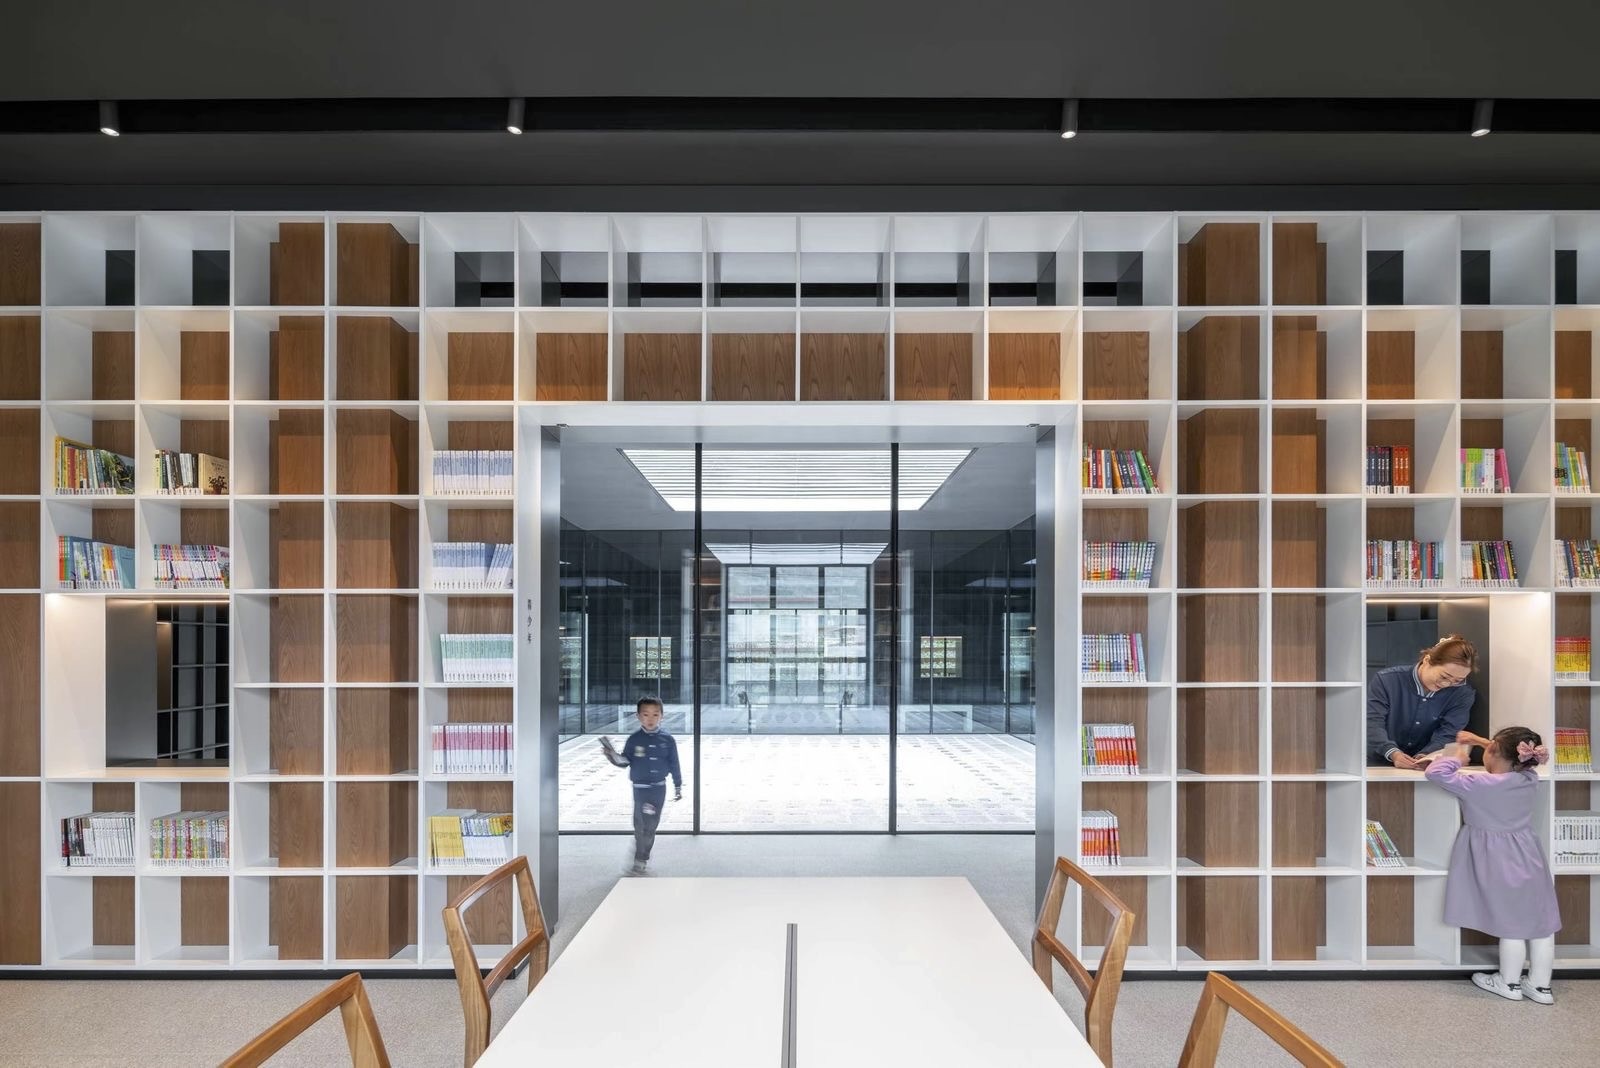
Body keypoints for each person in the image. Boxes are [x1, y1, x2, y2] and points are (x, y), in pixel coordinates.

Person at [1424, 726, 1562, 1004]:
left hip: (1494, 859)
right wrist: (1479, 741)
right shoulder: (1528, 777)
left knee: (1510, 924)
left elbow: (1435, 773)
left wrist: (1460, 755)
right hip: (1528, 854)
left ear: (1495, 752)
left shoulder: (1479, 785)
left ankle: (1508, 983)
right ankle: (1540, 986)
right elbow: (1514, 754)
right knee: (1541, 923)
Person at [599, 697, 682, 875]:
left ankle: (643, 855)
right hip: (640, 790)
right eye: (645, 715)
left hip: (658, 789)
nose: (650, 719)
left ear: (662, 716)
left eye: (655, 714)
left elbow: (675, 763)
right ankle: (640, 859)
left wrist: (678, 785)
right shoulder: (634, 739)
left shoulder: (668, 740)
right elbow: (624, 761)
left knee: (650, 826)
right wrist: (610, 755)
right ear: (638, 716)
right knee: (640, 824)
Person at [1366, 634, 1478, 768]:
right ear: (1427, 660)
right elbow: (1372, 722)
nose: (1446, 684)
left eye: (1457, 680)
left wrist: (1426, 756)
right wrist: (1392, 753)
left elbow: (1449, 732)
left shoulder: (1462, 693)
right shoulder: (1387, 680)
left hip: (1424, 767)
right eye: (1444, 676)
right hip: (1376, 763)